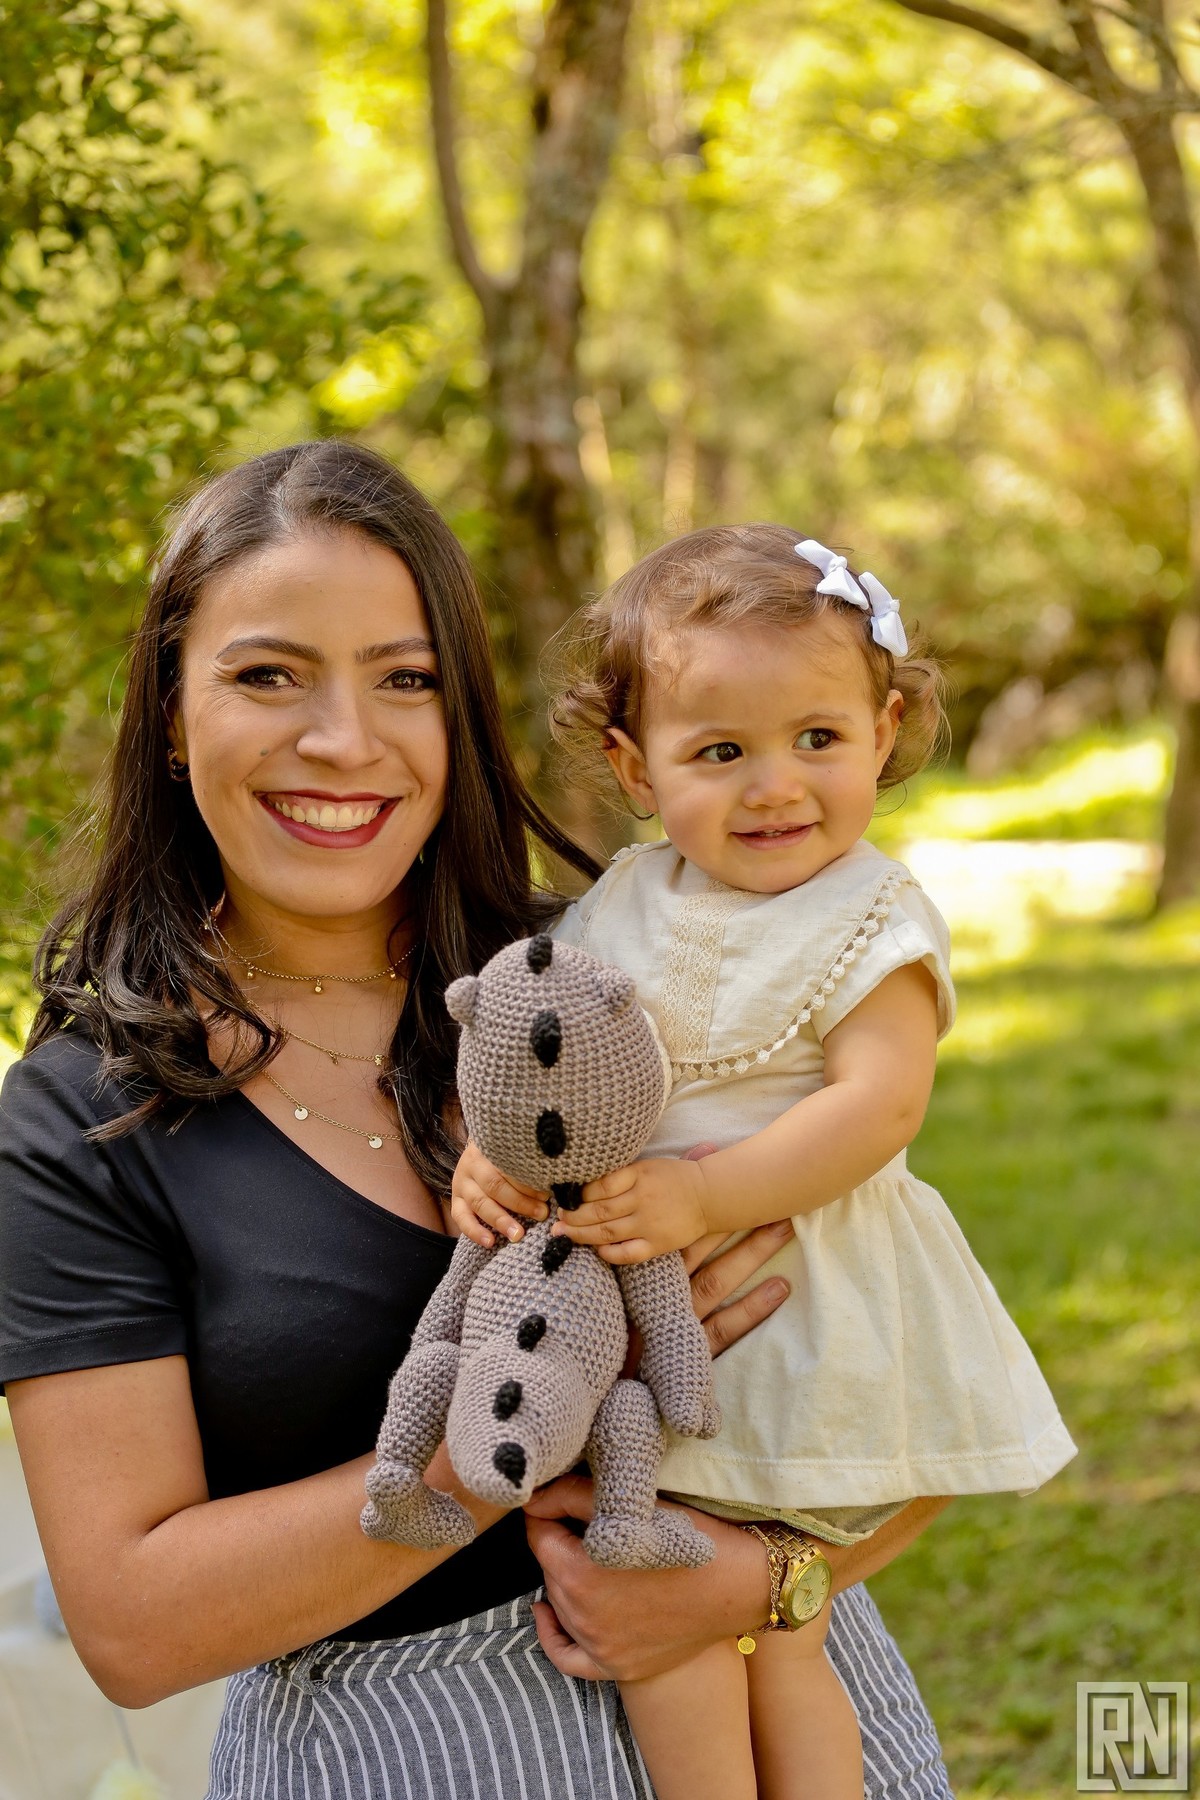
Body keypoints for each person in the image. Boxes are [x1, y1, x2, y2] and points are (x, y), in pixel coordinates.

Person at [0, 445, 956, 1800]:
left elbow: (916, 1363)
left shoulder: (618, 982)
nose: (344, 740)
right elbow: (132, 1626)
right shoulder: (84, 1121)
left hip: (778, 1710)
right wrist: (489, 1449)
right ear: (169, 711)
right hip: (400, 1757)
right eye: (269, 676)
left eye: (406, 680)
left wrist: (769, 1583)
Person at [452, 524, 1077, 1800]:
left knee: (779, 1630)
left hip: (797, 1307)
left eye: (817, 739)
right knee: (668, 1631)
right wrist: (490, 1153)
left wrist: (705, 1191)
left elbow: (880, 1107)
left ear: (884, 732)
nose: (775, 787)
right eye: (721, 753)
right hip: (643, 1301)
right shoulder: (625, 899)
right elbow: (546, 1046)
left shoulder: (872, 914)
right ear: (635, 767)